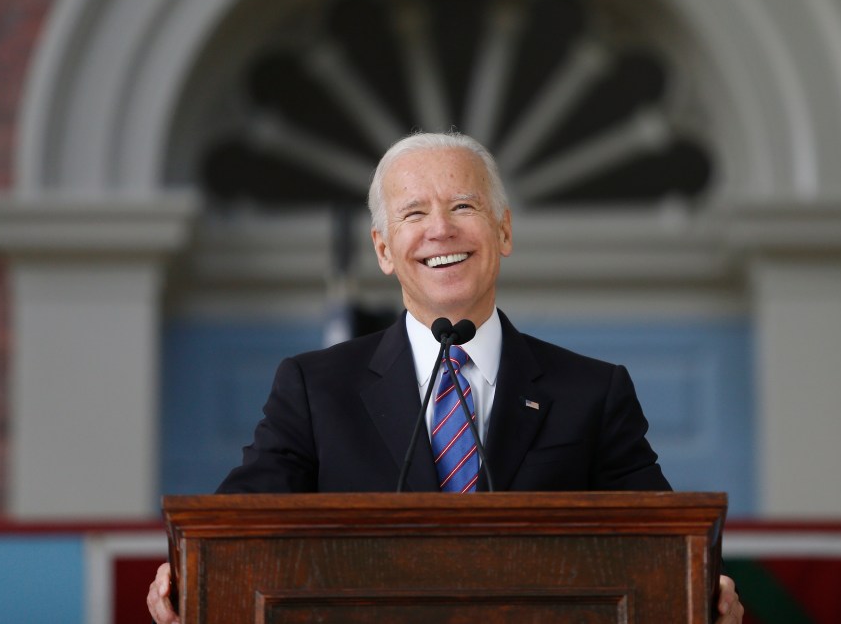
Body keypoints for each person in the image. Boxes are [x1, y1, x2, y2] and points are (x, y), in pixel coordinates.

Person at [147, 132, 743, 623]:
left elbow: (664, 541)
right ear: (384, 249)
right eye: (413, 213)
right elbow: (240, 520)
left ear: (503, 231)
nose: (441, 230)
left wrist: (704, 586)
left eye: (463, 206)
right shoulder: (315, 387)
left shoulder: (593, 391)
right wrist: (190, 569)